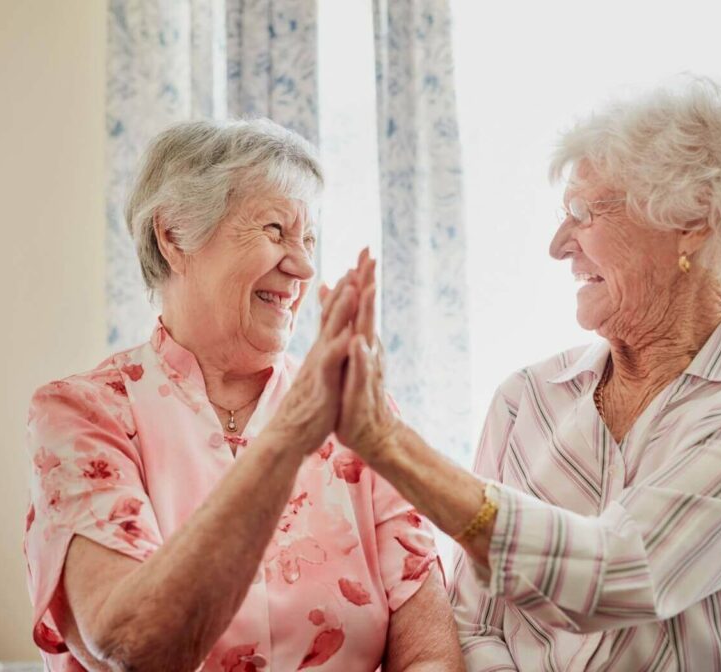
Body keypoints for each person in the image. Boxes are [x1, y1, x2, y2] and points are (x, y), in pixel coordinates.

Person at [331, 78, 721, 670]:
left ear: (693, 220)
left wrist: (389, 446)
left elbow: (621, 573)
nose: (557, 245)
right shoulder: (526, 400)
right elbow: (475, 621)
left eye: (583, 213)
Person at [23, 119, 463, 672]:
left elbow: (430, 654)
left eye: (308, 239)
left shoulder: (358, 417)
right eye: (275, 230)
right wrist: (287, 438)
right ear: (174, 236)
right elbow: (133, 643)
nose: (303, 266)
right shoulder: (84, 414)